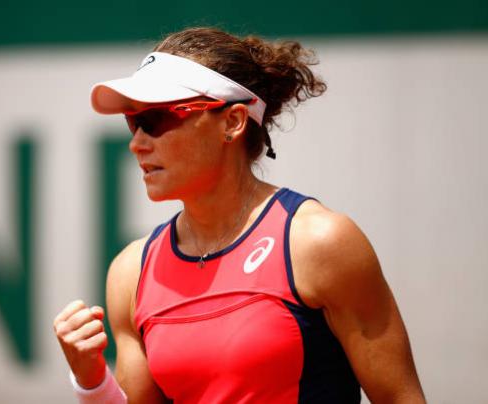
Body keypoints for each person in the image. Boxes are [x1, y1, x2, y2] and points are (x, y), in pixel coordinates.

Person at [53, 27, 425, 403]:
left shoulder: (320, 243)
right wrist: (92, 383)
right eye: (133, 121)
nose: (137, 143)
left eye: (157, 119)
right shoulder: (130, 274)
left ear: (232, 122)